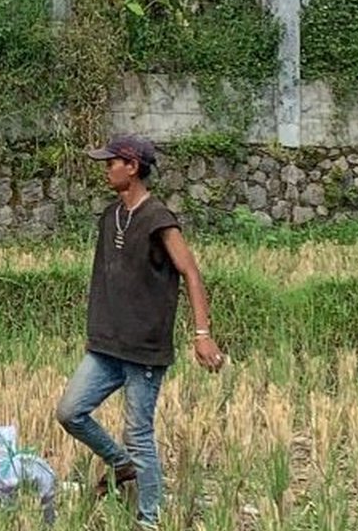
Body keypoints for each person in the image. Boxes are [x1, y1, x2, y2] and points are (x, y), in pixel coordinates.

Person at [54, 135, 225, 530]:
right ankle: (121, 464)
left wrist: (202, 333)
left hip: (144, 349)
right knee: (70, 412)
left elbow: (191, 272)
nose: (106, 169)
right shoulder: (110, 216)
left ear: (132, 167)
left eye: (111, 163)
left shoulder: (158, 219)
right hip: (106, 344)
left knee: (139, 434)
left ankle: (149, 520)